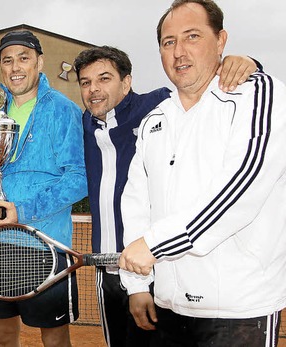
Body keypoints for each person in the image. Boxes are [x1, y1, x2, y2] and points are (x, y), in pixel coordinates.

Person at [119, 0, 286, 345]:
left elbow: (242, 186)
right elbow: (136, 203)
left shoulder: (260, 94)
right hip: (169, 307)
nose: (179, 52)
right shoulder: (154, 121)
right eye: (168, 42)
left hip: (239, 309)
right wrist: (137, 284)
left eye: (192, 36)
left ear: (221, 41)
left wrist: (154, 244)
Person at [72, 46, 258, 346]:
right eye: (85, 82)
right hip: (107, 270)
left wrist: (248, 63)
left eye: (104, 79)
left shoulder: (158, 106)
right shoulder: (84, 122)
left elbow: (201, 87)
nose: (94, 89)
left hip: (157, 268)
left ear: (127, 82)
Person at [0, 30, 87, 347]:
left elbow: (79, 177)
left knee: (54, 340)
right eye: (7, 60)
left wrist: (23, 210)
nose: (15, 67)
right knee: (3, 336)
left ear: (40, 62)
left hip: (45, 246)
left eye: (23, 58)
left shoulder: (62, 110)